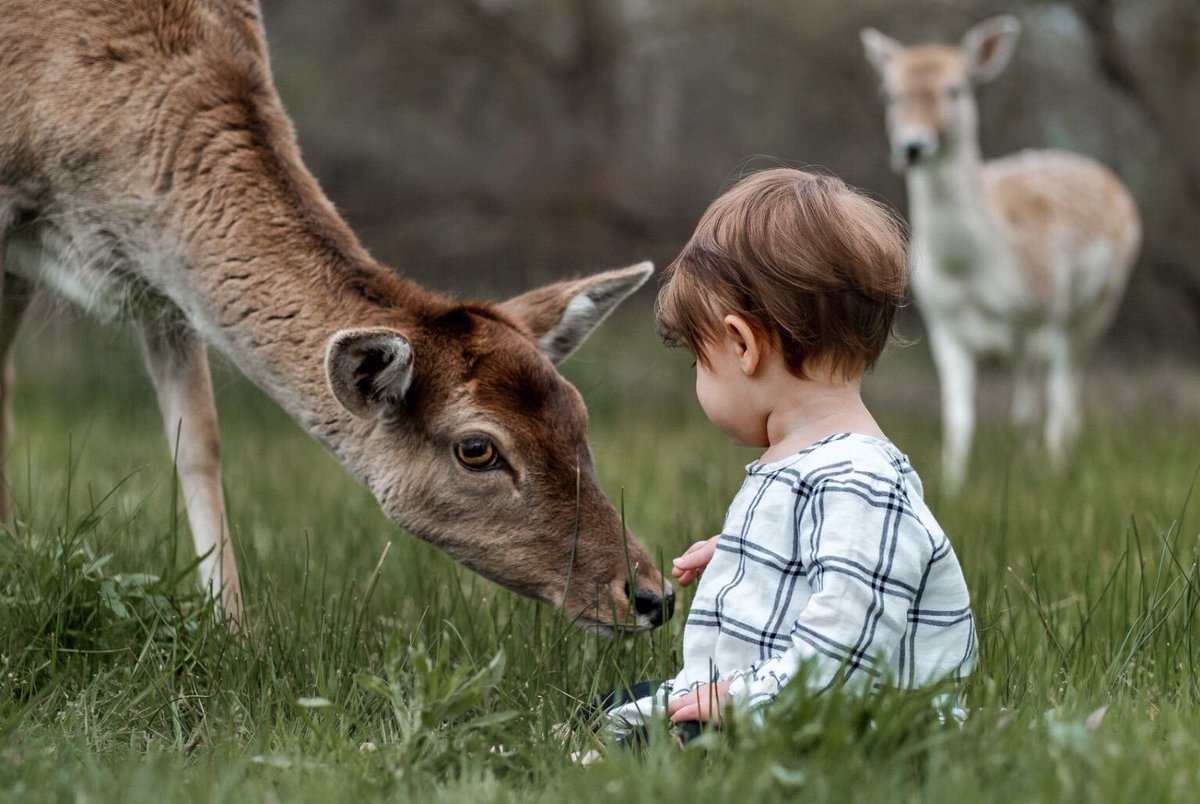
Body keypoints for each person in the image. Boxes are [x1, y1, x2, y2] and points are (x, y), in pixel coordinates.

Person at [607, 168, 977, 737]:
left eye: (696, 360)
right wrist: (749, 553)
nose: (697, 378)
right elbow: (821, 562)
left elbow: (848, 642)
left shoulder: (859, 479)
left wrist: (747, 701)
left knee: (646, 737)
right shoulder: (816, 465)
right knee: (614, 708)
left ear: (742, 345)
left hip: (835, 723)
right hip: (767, 694)